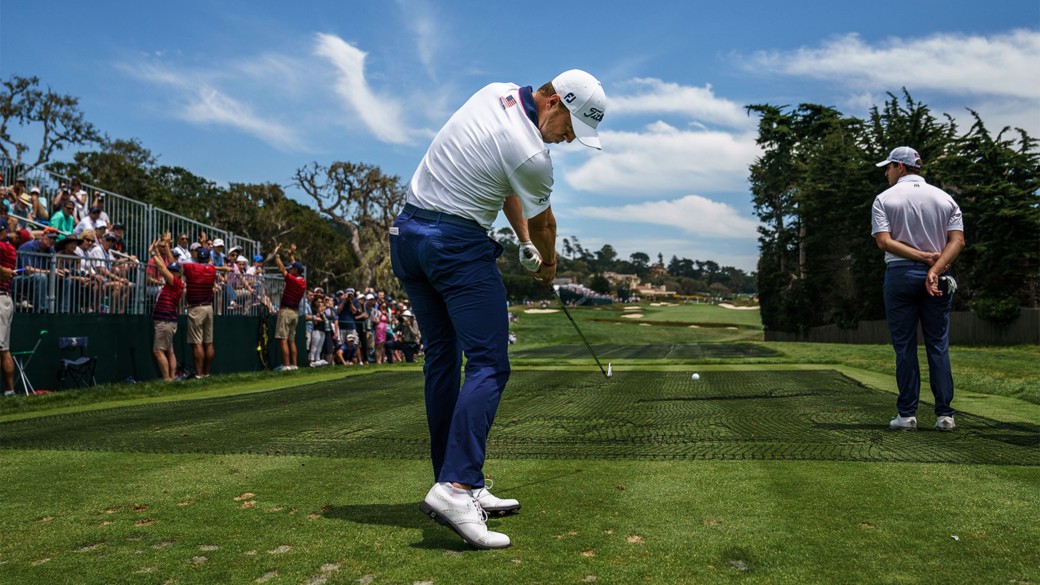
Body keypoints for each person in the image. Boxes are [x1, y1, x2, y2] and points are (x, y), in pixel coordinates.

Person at [390, 69, 605, 549]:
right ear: (553, 101)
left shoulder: (495, 93)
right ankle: (457, 486)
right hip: (453, 245)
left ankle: (455, 480)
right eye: (571, 127)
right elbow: (545, 219)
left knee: (443, 360)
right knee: (489, 363)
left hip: (407, 237)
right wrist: (547, 263)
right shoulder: (534, 154)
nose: (569, 140)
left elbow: (503, 183)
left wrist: (521, 241)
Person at [871, 146, 965, 432]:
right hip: (937, 275)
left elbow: (884, 242)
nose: (885, 172)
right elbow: (957, 241)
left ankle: (907, 415)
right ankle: (944, 416)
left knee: (905, 347)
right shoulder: (945, 198)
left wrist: (923, 259)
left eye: (888, 167)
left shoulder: (884, 199)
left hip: (900, 275)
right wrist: (934, 268)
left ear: (900, 166)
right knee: (938, 345)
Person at [149, 239, 185, 381]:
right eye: (171, 270)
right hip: (166, 320)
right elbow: (167, 266)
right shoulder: (173, 283)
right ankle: (171, 377)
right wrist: (158, 252)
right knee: (169, 351)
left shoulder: (175, 282)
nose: (171, 272)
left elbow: (163, 269)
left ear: (178, 274)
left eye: (174, 271)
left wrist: (152, 253)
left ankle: (167, 380)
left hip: (165, 321)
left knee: (158, 351)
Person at [181, 247, 218, 378]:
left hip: (196, 308)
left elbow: (174, 265)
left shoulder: (191, 268)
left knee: (197, 343)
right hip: (208, 308)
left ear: (197, 257)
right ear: (208, 258)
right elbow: (211, 263)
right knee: (208, 342)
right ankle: (206, 373)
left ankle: (199, 374)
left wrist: (167, 246)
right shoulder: (212, 270)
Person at [271, 243, 306, 371]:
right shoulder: (302, 281)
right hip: (295, 313)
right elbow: (295, 265)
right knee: (291, 340)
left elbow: (281, 269)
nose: (290, 269)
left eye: (292, 268)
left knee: (283, 339)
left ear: (295, 271)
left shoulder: (292, 280)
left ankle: (286, 366)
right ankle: (294, 365)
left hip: (286, 312)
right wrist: (291, 254)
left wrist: (276, 254)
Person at [0, 221, 16, 395]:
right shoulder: (9, 247)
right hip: (5, 299)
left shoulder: (4, 247)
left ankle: (10, 391)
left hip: (1, 298)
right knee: (4, 349)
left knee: (2, 349)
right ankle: (9, 392)